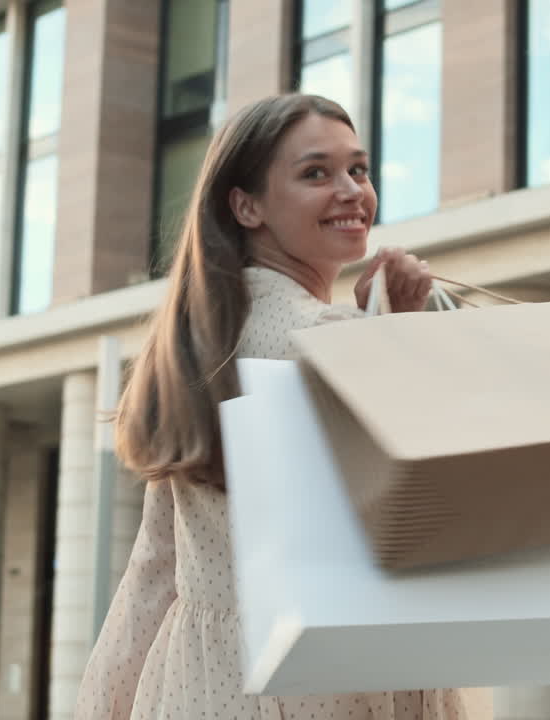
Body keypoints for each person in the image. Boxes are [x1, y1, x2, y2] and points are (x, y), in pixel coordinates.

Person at [74, 94, 490, 719]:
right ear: (246, 206)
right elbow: (466, 466)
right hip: (332, 689)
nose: (351, 190)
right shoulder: (328, 340)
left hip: (199, 685)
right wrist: (407, 327)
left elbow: (155, 567)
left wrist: (101, 707)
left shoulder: (203, 343)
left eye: (360, 169)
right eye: (315, 173)